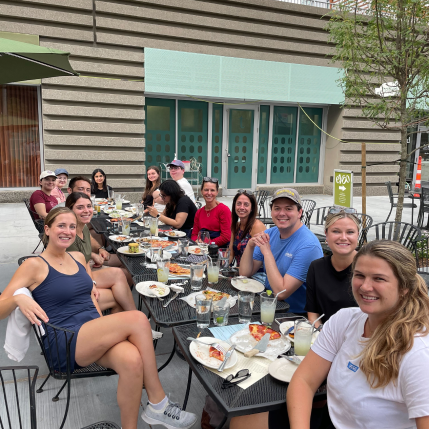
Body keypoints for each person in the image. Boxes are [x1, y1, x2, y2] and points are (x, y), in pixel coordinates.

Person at [0, 207, 197, 429]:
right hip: (65, 340)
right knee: (138, 319)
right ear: (47, 229)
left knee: (132, 360)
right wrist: (18, 299)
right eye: (61, 226)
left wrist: (91, 284)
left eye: (72, 226)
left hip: (92, 330)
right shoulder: (34, 265)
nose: (68, 231)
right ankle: (158, 403)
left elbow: (84, 282)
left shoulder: (75, 256)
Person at [286, 240, 429, 429]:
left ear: (404, 288)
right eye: (359, 275)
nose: (365, 287)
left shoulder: (418, 353)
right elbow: (304, 381)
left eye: (379, 278)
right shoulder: (344, 320)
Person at [239, 188, 322, 315]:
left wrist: (267, 252)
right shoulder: (269, 234)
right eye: (277, 208)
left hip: (294, 315)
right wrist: (250, 245)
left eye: (289, 209)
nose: (282, 213)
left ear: (300, 212)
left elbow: (281, 292)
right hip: (269, 303)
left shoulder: (308, 245)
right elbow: (245, 272)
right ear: (271, 212)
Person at [305, 208, 360, 327]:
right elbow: (313, 314)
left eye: (350, 232)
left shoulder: (368, 268)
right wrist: (322, 337)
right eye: (336, 231)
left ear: (358, 235)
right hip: (323, 337)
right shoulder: (316, 267)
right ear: (326, 234)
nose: (343, 237)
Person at [66, 192, 133, 286]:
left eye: (89, 206)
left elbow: (88, 239)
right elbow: (77, 264)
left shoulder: (82, 225)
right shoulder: (68, 233)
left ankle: (119, 289)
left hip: (88, 262)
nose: (86, 210)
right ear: (70, 210)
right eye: (80, 207)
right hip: (80, 274)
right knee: (126, 274)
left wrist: (100, 249)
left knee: (126, 260)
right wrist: (93, 256)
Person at [229, 190, 266, 267]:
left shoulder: (257, 226)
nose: (242, 207)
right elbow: (230, 254)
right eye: (239, 204)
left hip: (255, 274)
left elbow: (260, 260)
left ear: (252, 207)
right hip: (239, 272)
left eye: (246, 204)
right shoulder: (236, 226)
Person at [191, 177, 231, 247]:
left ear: (217, 192)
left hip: (218, 249)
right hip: (201, 248)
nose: (209, 193)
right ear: (201, 191)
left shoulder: (224, 210)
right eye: (206, 190)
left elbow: (226, 236)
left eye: (212, 190)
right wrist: (196, 241)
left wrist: (208, 244)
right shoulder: (199, 212)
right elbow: (194, 234)